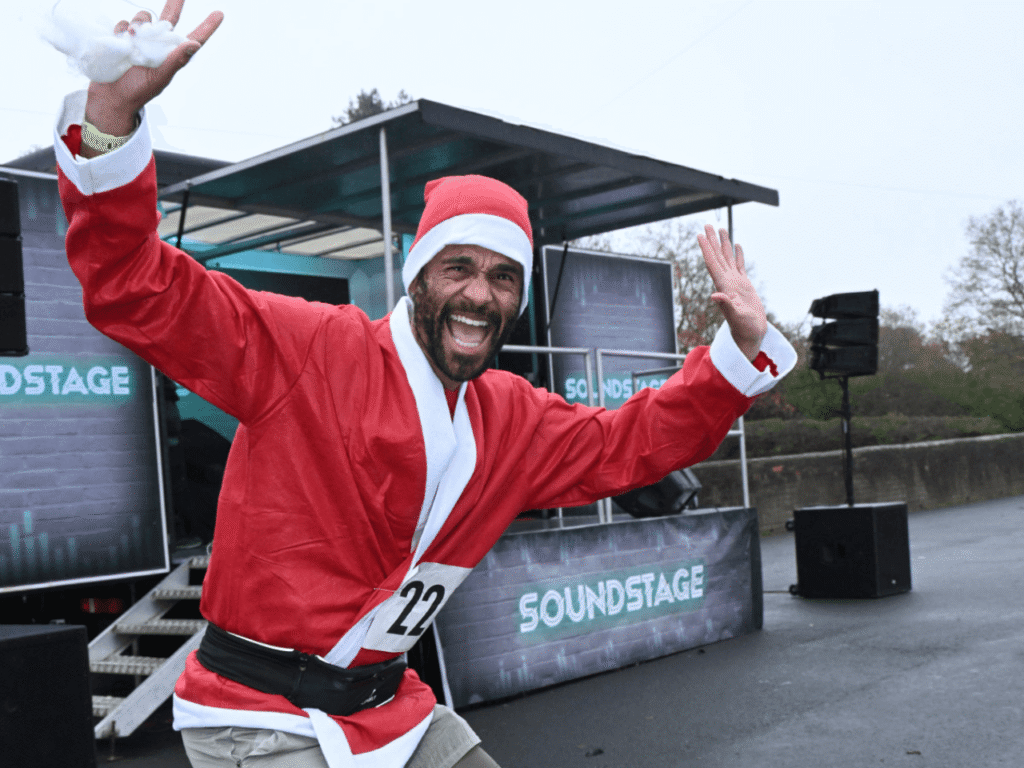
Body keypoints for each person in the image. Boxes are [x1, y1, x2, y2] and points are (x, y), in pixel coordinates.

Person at [53, 3, 796, 766]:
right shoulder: (313, 348)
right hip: (260, 715)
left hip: (387, 706)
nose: (481, 295)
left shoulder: (510, 417)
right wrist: (110, 119)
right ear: (417, 277)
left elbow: (633, 443)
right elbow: (137, 289)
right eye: (460, 268)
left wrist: (735, 356)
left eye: (505, 277)